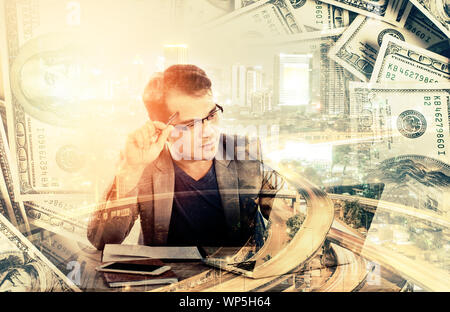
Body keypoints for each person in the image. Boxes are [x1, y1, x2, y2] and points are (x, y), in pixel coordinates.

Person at [87, 64, 286, 250]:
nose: (208, 132)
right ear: (160, 127)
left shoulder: (242, 151)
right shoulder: (143, 162)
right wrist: (131, 171)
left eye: (211, 115)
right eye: (191, 125)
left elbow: (291, 218)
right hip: (171, 282)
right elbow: (102, 240)